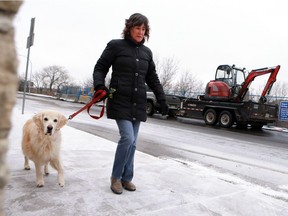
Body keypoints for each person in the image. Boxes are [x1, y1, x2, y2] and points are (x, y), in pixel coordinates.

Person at [93, 13, 168, 195]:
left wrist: (162, 98)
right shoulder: (115, 46)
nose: (140, 32)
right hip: (119, 99)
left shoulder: (146, 53)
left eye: (143, 29)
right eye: (137, 28)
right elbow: (100, 67)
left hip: (138, 102)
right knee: (127, 138)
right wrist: (99, 86)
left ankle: (127, 178)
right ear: (129, 28)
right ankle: (116, 178)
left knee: (133, 143)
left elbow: (152, 78)